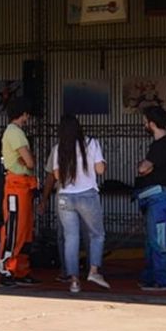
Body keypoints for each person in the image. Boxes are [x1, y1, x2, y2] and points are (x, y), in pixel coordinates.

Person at [48, 114, 109, 293]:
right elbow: (100, 170)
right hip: (87, 195)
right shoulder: (91, 143)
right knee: (97, 234)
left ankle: (74, 281)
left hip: (65, 197)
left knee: (71, 238)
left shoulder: (59, 148)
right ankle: (94, 271)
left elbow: (57, 176)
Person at [0, 97, 39, 288]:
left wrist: (27, 161)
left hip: (23, 185)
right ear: (23, 114)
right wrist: (28, 160)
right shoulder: (15, 133)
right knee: (15, 230)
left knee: (25, 230)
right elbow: (30, 162)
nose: (28, 118)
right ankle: (7, 269)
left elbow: (28, 161)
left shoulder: (14, 132)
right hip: (17, 186)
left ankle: (20, 270)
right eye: (27, 114)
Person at [134, 105, 166, 292]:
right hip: (155, 198)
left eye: (145, 122)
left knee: (158, 239)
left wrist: (145, 167)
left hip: (159, 198)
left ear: (151, 124)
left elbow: (143, 168)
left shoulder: (161, 145)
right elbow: (145, 168)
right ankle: (151, 277)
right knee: (152, 241)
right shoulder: (161, 145)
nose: (143, 125)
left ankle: (162, 280)